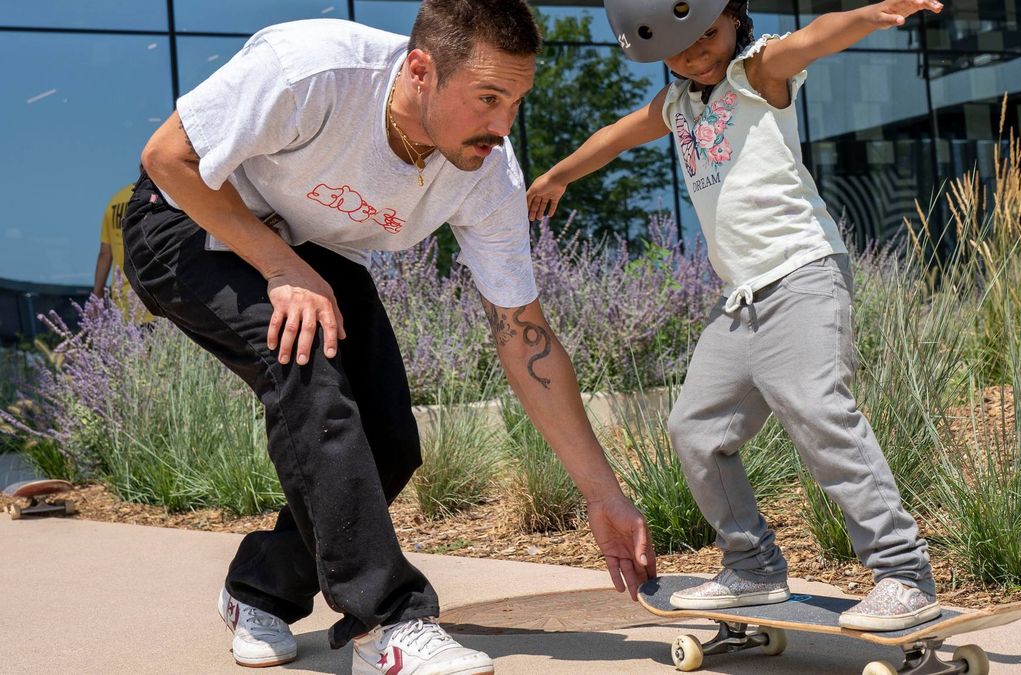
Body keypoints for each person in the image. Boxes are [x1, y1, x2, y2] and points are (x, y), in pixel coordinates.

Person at [124, 2, 655, 673]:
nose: (503, 125)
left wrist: (603, 494)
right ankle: (387, 622)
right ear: (420, 70)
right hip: (183, 221)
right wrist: (281, 267)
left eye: (517, 101)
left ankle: (257, 588)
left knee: (390, 442)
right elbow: (167, 156)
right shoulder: (311, 70)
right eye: (488, 97)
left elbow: (525, 337)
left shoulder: (487, 171)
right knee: (306, 363)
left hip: (302, 242)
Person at [527, 0, 943, 632]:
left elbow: (812, 39)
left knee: (815, 406)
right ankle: (751, 568)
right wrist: (558, 173)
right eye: (680, 46)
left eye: (708, 35)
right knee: (695, 432)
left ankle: (903, 574)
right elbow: (615, 137)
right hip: (739, 303)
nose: (696, 53)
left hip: (802, 275)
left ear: (735, 22)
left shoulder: (757, 72)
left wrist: (869, 16)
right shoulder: (675, 107)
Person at [92, 183, 134, 302]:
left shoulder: (115, 201)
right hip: (153, 297)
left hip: (121, 296)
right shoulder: (156, 198)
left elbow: (105, 254)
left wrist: (97, 294)